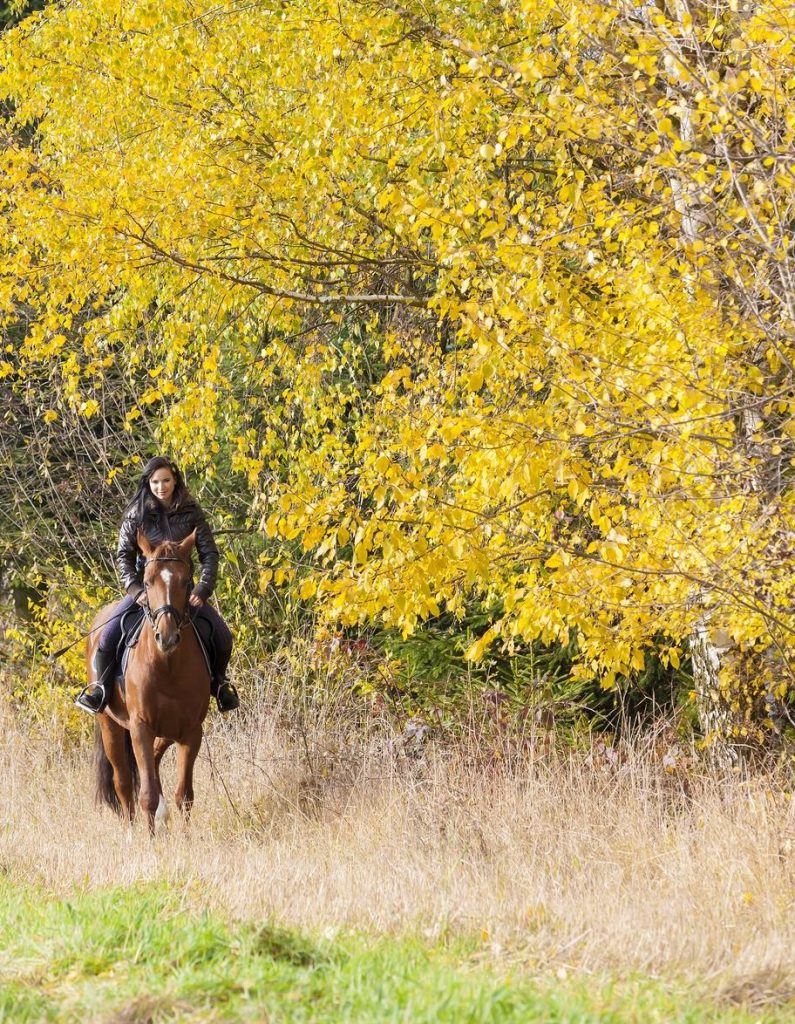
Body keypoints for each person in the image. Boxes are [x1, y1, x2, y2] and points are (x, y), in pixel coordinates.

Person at [75, 456, 240, 714]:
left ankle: (220, 686)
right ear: (148, 483)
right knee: (107, 637)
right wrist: (135, 590)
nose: (161, 486)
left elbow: (210, 555)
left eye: (165, 480)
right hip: (147, 590)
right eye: (155, 482)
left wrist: (202, 589)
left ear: (175, 481)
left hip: (182, 592)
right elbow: (123, 557)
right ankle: (100, 690)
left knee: (222, 635)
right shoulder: (136, 514)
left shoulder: (192, 512)